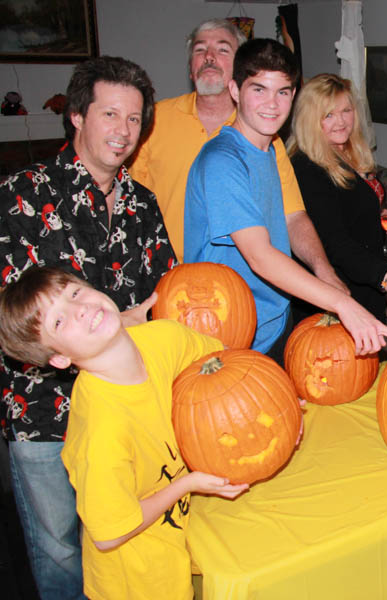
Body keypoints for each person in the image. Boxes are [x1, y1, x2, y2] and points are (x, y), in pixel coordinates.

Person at [0, 56, 176, 599]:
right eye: (110, 114)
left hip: (126, 409)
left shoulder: (142, 205)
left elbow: (165, 293)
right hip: (45, 410)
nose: (123, 131)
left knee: (124, 535)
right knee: (59, 545)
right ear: (77, 115)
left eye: (134, 119)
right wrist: (118, 321)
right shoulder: (17, 196)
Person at [0, 267, 249, 599]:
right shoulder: (100, 431)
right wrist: (187, 484)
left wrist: (273, 405)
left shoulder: (162, 337)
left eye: (74, 293)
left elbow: (226, 361)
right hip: (135, 581)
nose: (81, 309)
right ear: (59, 359)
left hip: (177, 546)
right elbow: (110, 534)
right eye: (59, 321)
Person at [184, 38, 387, 360]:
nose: (272, 104)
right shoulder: (223, 161)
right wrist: (342, 304)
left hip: (275, 320)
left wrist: (325, 272)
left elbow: (293, 217)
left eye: (282, 92)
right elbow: (260, 256)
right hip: (229, 336)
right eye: (259, 90)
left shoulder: (271, 150)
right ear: (234, 90)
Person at [129, 19, 345, 294]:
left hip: (260, 294)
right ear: (190, 68)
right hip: (181, 284)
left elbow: (292, 216)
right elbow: (134, 205)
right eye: (199, 50)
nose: (208, 57)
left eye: (221, 49)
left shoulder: (268, 134)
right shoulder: (154, 120)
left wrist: (323, 269)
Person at [288, 74, 387, 321]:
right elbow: (335, 243)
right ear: (310, 120)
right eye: (328, 115)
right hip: (335, 295)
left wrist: (376, 220)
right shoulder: (307, 167)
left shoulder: (347, 153)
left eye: (346, 111)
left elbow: (346, 215)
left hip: (362, 285)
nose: (341, 121)